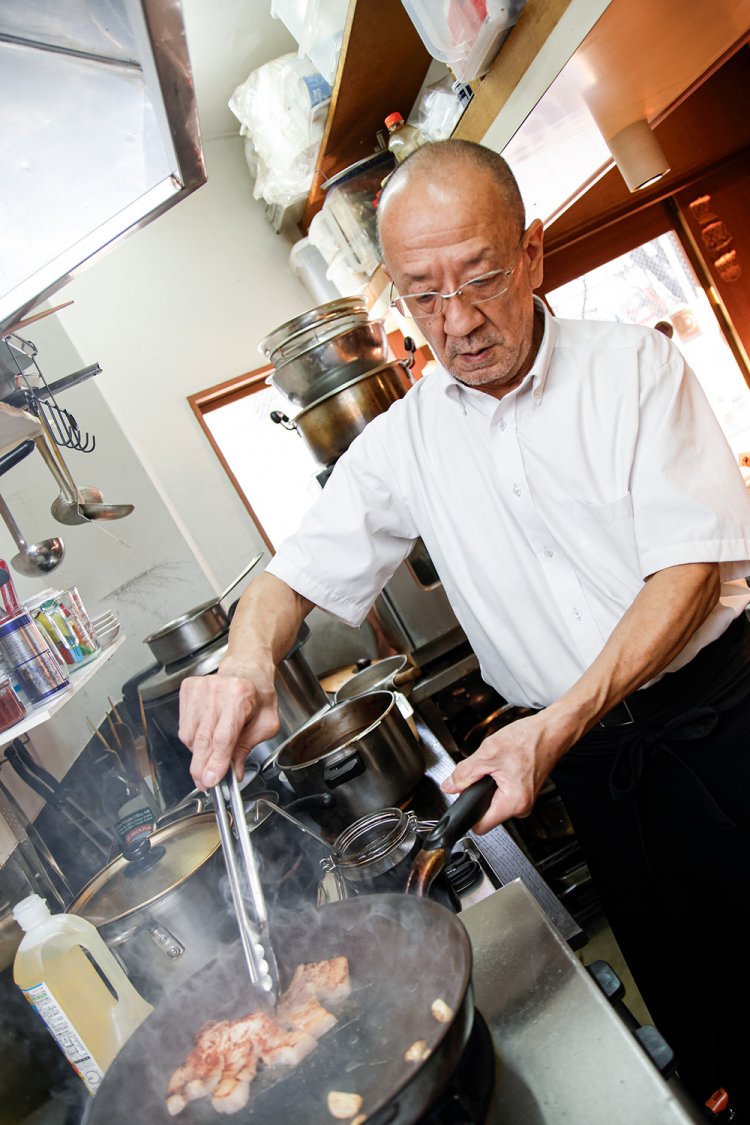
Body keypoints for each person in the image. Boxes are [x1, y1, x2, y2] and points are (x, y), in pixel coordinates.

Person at [180, 140, 750, 1117]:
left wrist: (557, 721)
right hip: (595, 776)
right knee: (699, 1006)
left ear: (530, 253)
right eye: (423, 294)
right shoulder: (403, 445)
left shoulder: (633, 370)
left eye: (481, 278)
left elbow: (689, 570)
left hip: (721, 726)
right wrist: (241, 664)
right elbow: (288, 580)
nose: (459, 321)